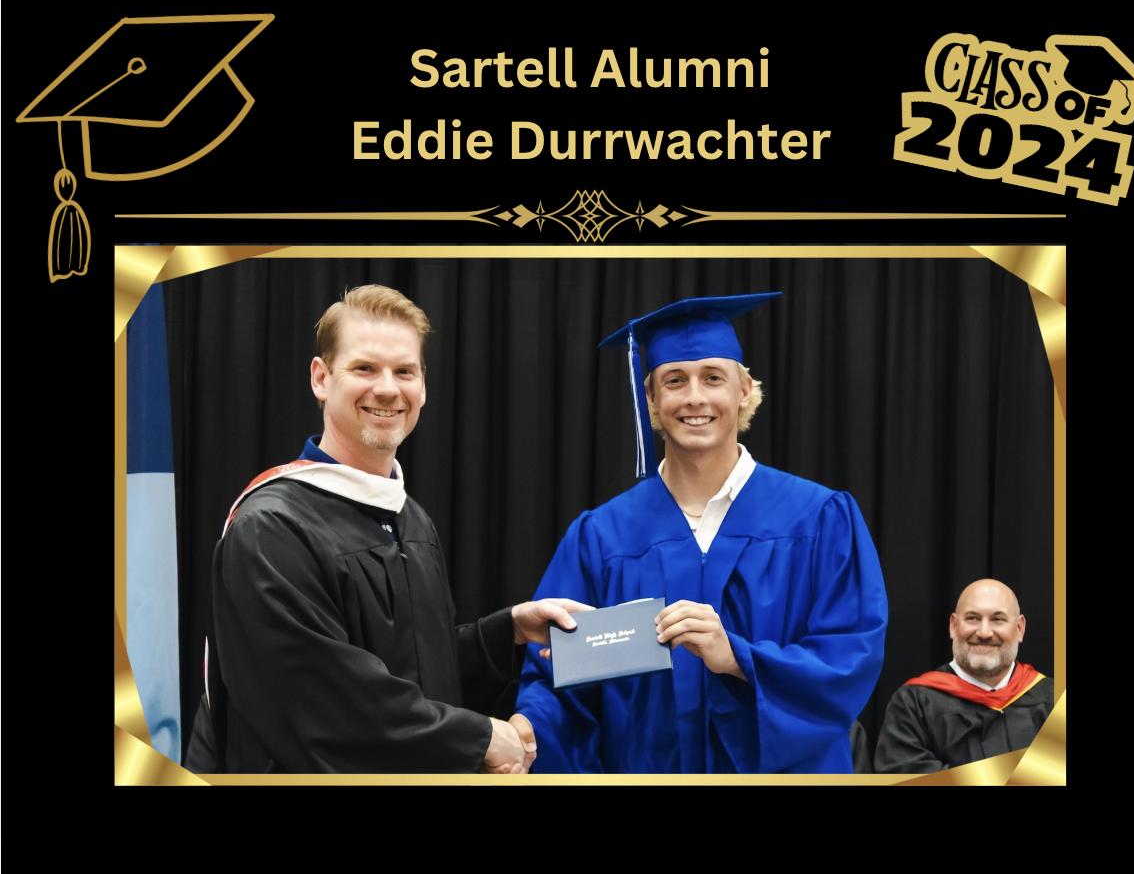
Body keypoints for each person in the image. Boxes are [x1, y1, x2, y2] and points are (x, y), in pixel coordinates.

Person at [205, 285, 589, 774]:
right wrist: (481, 738)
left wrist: (508, 631)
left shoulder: (410, 518)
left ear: (423, 385)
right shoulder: (272, 528)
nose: (387, 388)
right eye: (364, 368)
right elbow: (330, 708)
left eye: (404, 371)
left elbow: (417, 670)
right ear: (321, 379)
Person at [513, 293, 888, 773]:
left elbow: (849, 654)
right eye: (674, 380)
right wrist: (527, 730)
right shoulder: (602, 536)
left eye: (713, 377)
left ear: (745, 390)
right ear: (651, 398)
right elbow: (557, 673)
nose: (694, 397)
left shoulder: (818, 518)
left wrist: (738, 658)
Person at [874, 578, 1055, 774]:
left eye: (997, 619)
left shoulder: (1054, 699)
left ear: (1019, 629)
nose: (984, 632)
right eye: (972, 618)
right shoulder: (913, 704)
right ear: (953, 626)